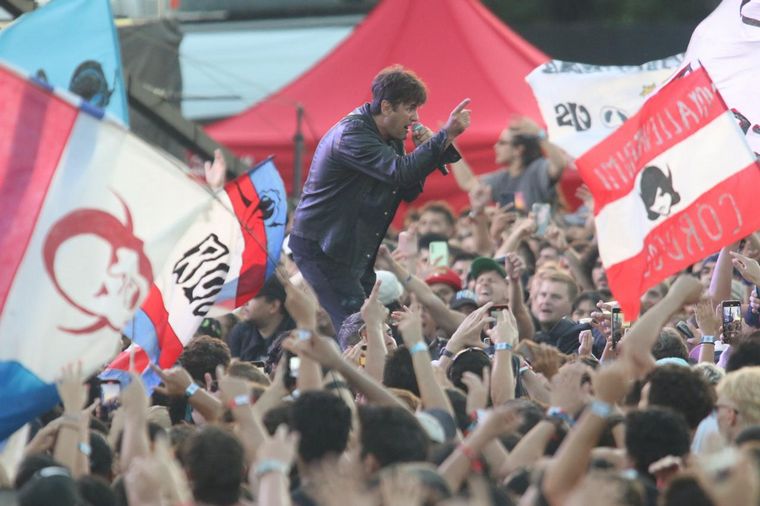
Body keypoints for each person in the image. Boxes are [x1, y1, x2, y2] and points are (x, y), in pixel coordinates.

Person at [289, 64, 471, 332]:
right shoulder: (351, 135)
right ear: (386, 107)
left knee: (376, 325)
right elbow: (399, 172)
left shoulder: (388, 134)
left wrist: (428, 151)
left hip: (348, 248)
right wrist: (444, 137)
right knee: (360, 328)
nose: (415, 118)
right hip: (323, 249)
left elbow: (407, 189)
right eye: (409, 108)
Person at [225, 277, 294, 363]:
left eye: (251, 296)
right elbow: (234, 370)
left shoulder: (296, 334)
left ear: (273, 306)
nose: (245, 302)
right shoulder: (239, 332)